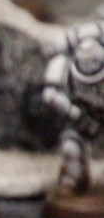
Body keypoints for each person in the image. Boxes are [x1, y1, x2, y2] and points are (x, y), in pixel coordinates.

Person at [42, 21, 104, 196]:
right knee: (70, 148)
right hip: (82, 116)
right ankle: (74, 178)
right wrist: (74, 113)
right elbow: (50, 95)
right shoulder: (62, 65)